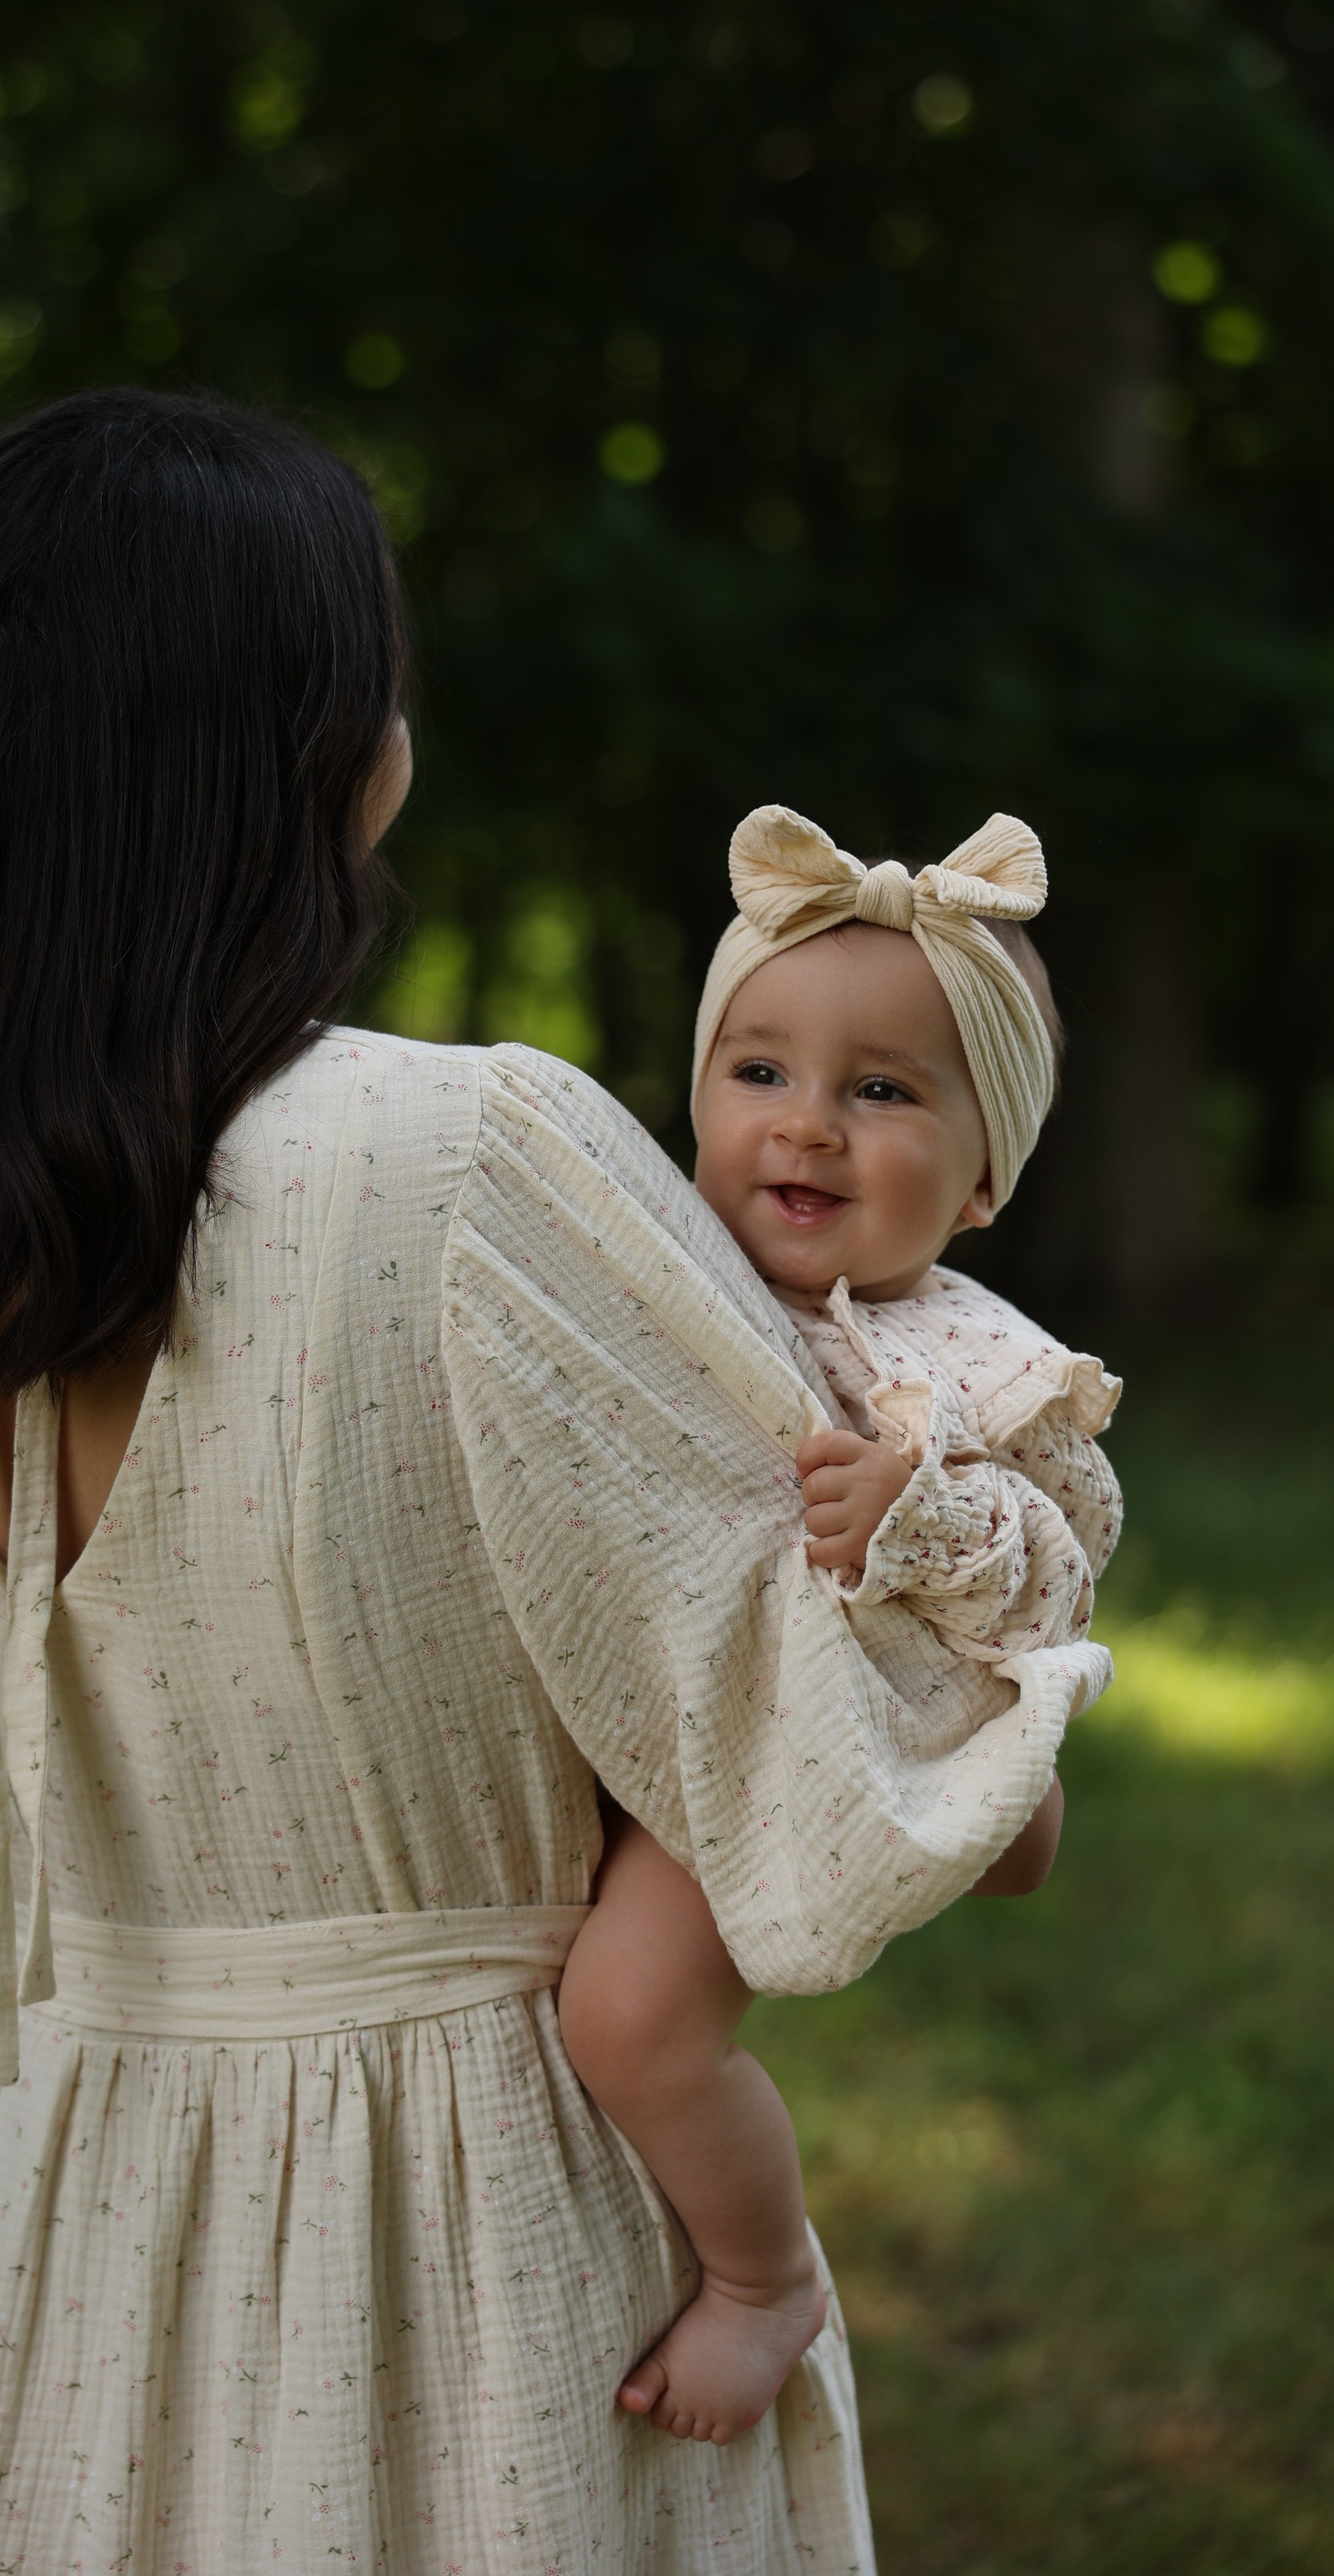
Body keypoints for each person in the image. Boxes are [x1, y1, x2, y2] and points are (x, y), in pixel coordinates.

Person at [0, 392, 1106, 2575]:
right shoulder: (457, 1168)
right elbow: (860, 1748)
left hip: (47, 2218)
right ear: (340, 749)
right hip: (483, 2249)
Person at [558, 803, 1120, 2445]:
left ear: (980, 1180)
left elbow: (1063, 1559)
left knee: (627, 2017)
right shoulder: (656, 1279)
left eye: (878, 1092)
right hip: (688, 1685)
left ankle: (759, 2282)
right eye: (758, 1073)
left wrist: (918, 1508)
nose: (805, 1127)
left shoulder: (957, 1353)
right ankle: (986, 1807)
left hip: (801, 1713)